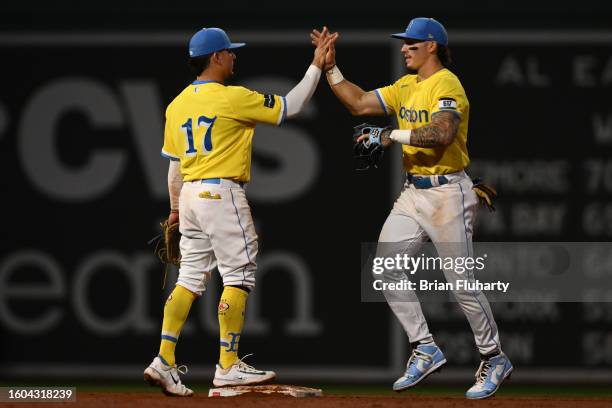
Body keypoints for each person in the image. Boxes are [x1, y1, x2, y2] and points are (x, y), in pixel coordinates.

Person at [311, 18, 512, 399]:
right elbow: (358, 104)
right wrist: (330, 68)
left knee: (461, 285)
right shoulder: (406, 86)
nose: (404, 48)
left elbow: (442, 134)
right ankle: (426, 347)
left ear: (432, 45)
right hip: (413, 192)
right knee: (384, 268)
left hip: (448, 192)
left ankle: (494, 357)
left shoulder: (447, 83)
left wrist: (390, 135)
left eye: (412, 43)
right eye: (404, 43)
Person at [144, 27, 336, 397]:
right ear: (216, 57)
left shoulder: (177, 103)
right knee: (239, 272)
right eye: (229, 52)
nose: (234, 57)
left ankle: (164, 360)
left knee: (190, 278)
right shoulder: (232, 97)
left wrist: (173, 210)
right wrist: (315, 66)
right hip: (221, 192)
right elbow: (290, 107)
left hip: (189, 196)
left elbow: (174, 168)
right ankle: (228, 366)